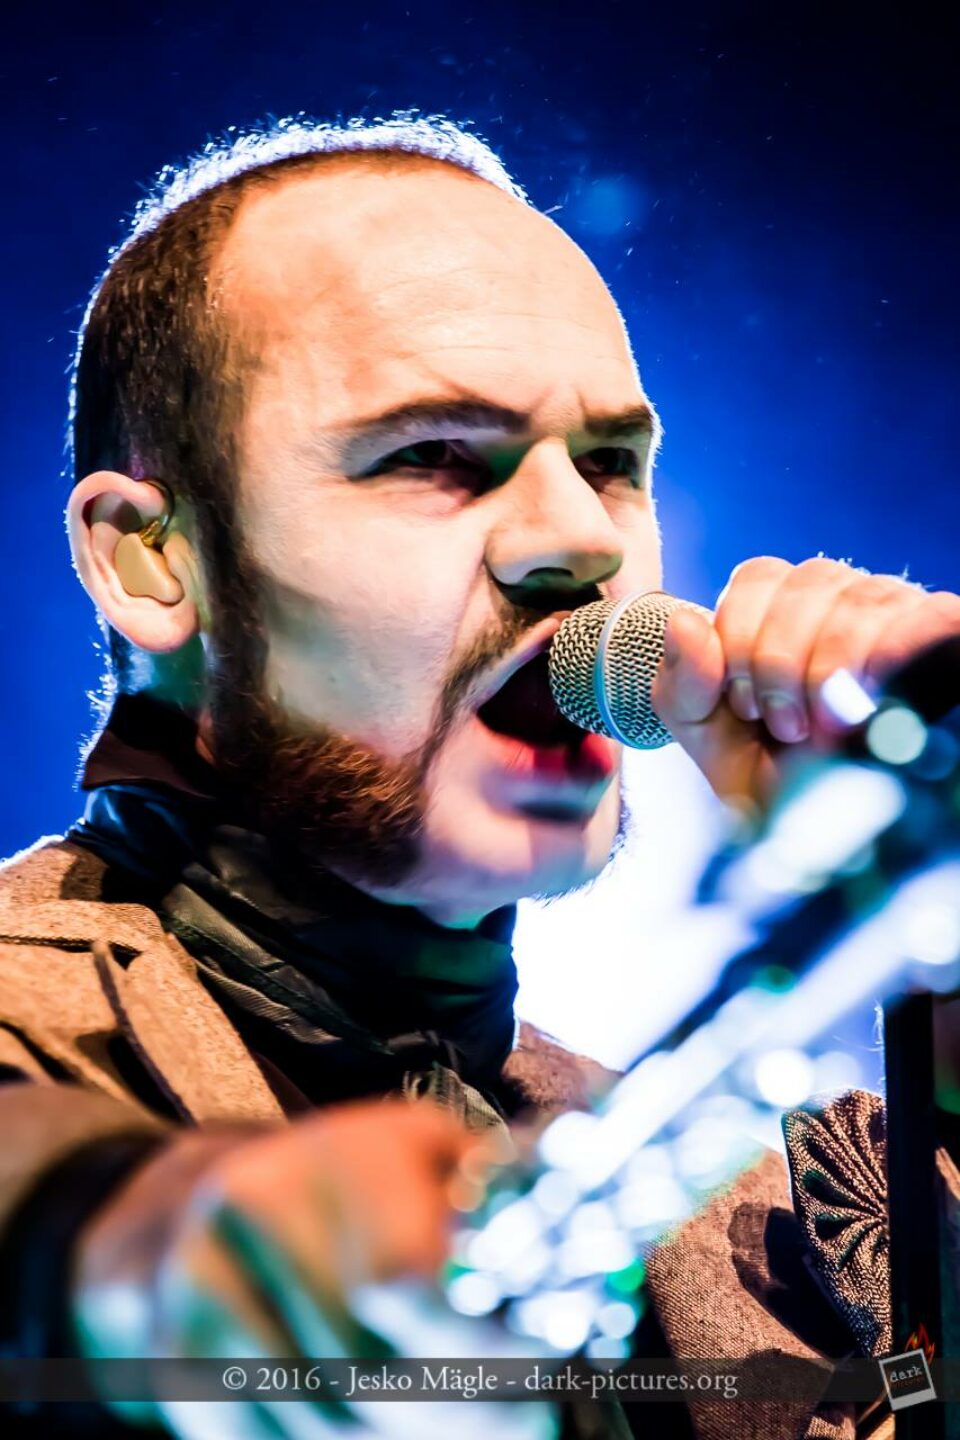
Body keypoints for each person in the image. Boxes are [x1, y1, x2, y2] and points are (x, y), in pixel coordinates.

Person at [1, 111, 955, 1439]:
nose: (580, 539)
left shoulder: (763, 1201)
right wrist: (139, 1254)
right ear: (151, 558)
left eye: (611, 465)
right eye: (433, 455)